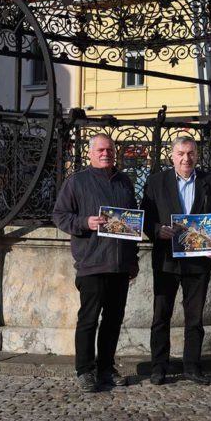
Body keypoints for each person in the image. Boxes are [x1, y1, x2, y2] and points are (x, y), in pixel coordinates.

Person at [52, 133, 139, 393]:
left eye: (110, 150)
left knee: (113, 320)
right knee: (88, 320)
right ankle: (84, 370)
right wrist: (84, 223)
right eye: (100, 150)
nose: (105, 154)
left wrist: (132, 260)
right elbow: (59, 215)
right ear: (90, 153)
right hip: (92, 263)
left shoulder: (125, 182)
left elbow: (133, 224)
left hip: (120, 265)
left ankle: (105, 368)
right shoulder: (77, 182)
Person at [141, 136, 211, 386]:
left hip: (198, 262)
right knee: (161, 316)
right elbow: (145, 216)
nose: (186, 158)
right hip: (166, 259)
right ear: (172, 156)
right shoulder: (156, 182)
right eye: (180, 153)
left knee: (195, 318)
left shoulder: (210, 182)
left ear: (197, 155)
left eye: (190, 153)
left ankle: (192, 366)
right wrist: (157, 230)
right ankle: (159, 367)